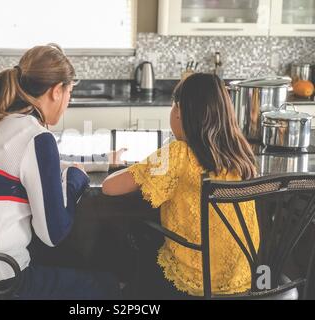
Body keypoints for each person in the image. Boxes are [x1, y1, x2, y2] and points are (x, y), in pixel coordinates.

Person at [0, 44, 121, 300]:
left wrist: (100, 160)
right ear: (56, 91)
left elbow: (25, 164)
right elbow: (53, 234)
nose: (68, 102)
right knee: (102, 285)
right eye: (69, 92)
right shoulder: (35, 138)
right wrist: (76, 179)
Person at [102, 73, 260, 298]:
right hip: (240, 278)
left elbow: (110, 186)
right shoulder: (241, 153)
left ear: (179, 111)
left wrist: (137, 165)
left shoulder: (178, 154)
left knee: (137, 238)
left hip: (195, 281)